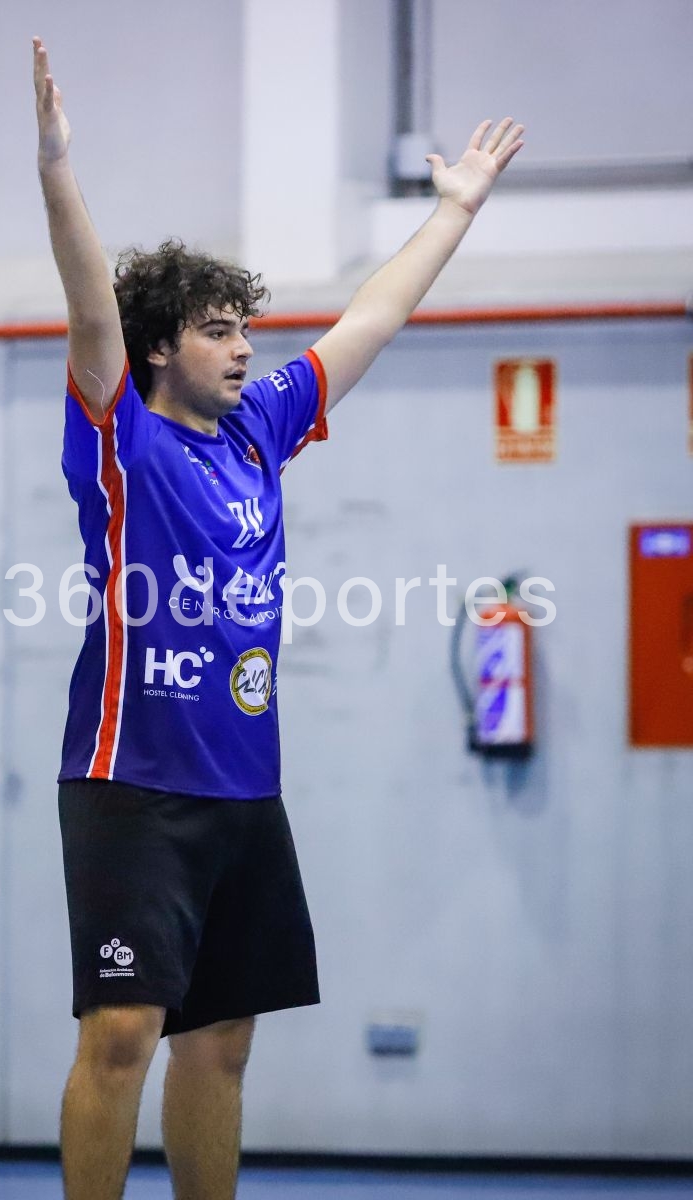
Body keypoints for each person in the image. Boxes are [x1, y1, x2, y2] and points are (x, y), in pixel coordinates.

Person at [33, 33, 523, 1200]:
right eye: (219, 329)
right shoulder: (120, 432)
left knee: (222, 1043)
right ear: (162, 348)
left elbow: (373, 318)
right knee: (122, 1035)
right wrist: (58, 170)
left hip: (246, 789)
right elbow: (91, 308)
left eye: (246, 328)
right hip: (131, 786)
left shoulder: (259, 428)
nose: (247, 347)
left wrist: (453, 213)